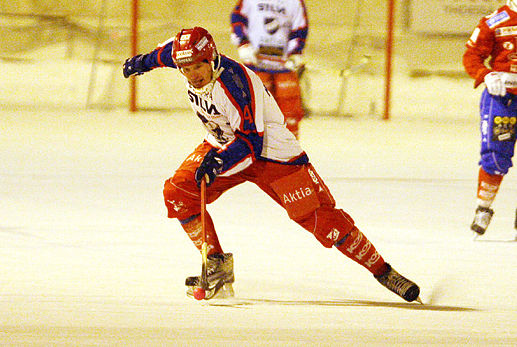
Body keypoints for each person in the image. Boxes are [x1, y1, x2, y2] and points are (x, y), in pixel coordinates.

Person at [123, 26, 421, 302]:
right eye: (185, 69)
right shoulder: (184, 57)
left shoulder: (235, 83)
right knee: (178, 193)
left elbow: (251, 143)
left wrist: (218, 163)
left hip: (270, 154)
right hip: (223, 144)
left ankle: (384, 271)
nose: (192, 75)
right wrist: (140, 62)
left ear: (211, 58)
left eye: (198, 67)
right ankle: (215, 263)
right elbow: (163, 55)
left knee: (320, 220)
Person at [463, 0, 517, 241]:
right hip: (504, 99)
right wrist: (485, 75)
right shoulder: (494, 21)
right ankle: (483, 208)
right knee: (496, 155)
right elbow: (471, 55)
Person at [230, 0, 309, 138]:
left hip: (282, 66)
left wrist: (295, 53)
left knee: (289, 110)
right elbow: (238, 19)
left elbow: (300, 30)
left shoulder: (295, 1)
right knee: (253, 108)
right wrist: (243, 44)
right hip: (256, 63)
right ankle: (251, 148)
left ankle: (289, 151)